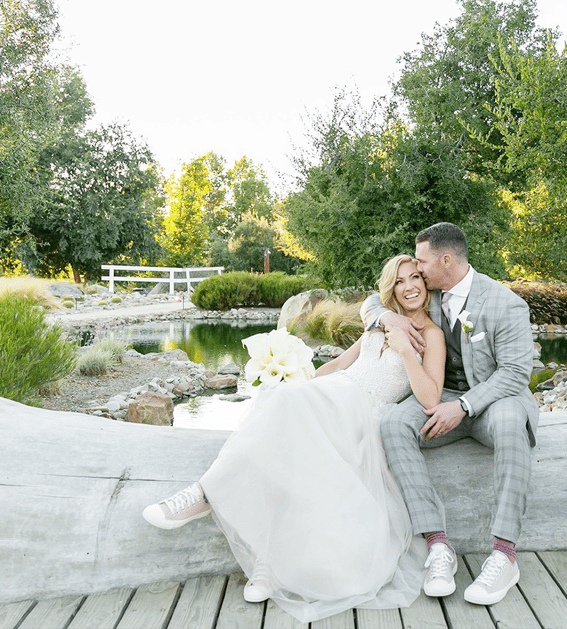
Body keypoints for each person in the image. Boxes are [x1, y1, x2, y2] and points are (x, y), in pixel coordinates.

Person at [142, 255, 446, 623]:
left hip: (365, 412)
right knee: (281, 408)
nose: (409, 286)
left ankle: (209, 499)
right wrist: (305, 389)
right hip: (334, 394)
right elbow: (337, 366)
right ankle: (263, 559)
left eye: (416, 277)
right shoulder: (379, 322)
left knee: (288, 438)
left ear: (426, 283)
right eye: (400, 281)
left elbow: (430, 397)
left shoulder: (431, 335)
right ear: (391, 288)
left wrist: (403, 350)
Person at [361, 222, 539, 606]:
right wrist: (387, 319)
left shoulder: (504, 303)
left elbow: (515, 373)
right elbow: (373, 302)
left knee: (510, 420)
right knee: (393, 422)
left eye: (422, 261)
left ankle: (504, 554)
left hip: (494, 402)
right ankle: (438, 546)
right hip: (443, 396)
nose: (418, 270)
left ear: (445, 259)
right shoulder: (432, 295)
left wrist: (463, 406)